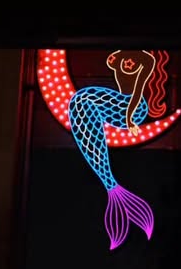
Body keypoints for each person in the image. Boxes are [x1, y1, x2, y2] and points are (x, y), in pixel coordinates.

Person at [67, 49, 169, 249]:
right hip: (114, 103)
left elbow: (137, 92)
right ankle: (111, 185)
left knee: (82, 100)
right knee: (81, 102)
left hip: (133, 108)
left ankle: (111, 185)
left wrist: (130, 120)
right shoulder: (117, 54)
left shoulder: (146, 60)